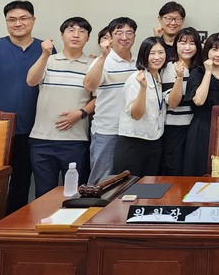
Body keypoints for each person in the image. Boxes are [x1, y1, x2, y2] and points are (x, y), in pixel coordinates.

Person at [0, 0, 51, 213]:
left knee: (21, 184)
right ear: (5, 22)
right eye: (12, 19)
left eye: (23, 18)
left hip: (31, 128)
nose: (18, 23)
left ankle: (12, 225)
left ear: (33, 20)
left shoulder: (45, 49)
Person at [27, 17, 94, 197]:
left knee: (75, 195)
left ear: (88, 38)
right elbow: (31, 81)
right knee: (43, 194)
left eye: (82, 31)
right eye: (71, 30)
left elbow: (99, 97)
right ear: (62, 35)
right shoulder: (48, 60)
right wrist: (44, 55)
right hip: (42, 139)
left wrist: (80, 113)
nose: (76, 35)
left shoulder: (93, 65)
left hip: (76, 140)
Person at [84, 17, 138, 184]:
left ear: (134, 37)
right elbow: (89, 86)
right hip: (107, 131)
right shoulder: (102, 61)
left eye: (129, 33)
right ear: (111, 37)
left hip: (132, 132)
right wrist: (102, 56)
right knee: (101, 181)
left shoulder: (139, 63)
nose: (124, 37)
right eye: (119, 33)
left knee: (126, 181)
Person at [183, 33, 219, 176]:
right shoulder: (197, 72)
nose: (218, 54)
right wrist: (208, 72)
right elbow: (199, 100)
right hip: (203, 128)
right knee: (201, 170)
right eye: (214, 49)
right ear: (207, 51)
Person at [115, 36, 169, 176]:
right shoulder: (136, 78)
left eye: (161, 52)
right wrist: (143, 88)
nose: (157, 57)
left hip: (154, 140)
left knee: (149, 186)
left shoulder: (158, 77)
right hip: (133, 142)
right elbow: (136, 114)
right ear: (144, 55)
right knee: (129, 187)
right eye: (152, 53)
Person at [160, 27, 202, 176]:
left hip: (195, 128)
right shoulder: (169, 68)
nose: (187, 47)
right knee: (175, 170)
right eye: (183, 43)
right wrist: (179, 77)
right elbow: (172, 103)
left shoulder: (200, 68)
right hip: (175, 129)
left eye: (192, 43)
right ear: (175, 45)